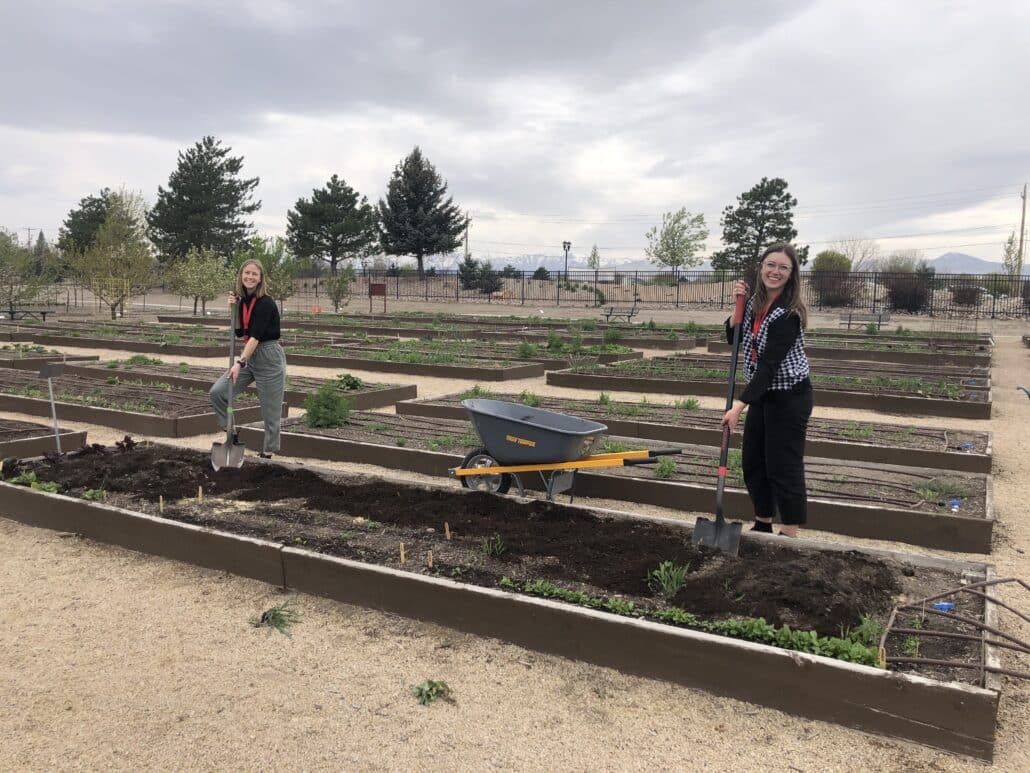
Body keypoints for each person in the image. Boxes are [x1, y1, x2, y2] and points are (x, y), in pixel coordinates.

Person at [720, 243, 812, 537]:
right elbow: (734, 337)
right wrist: (736, 308)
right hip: (762, 395)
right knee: (754, 461)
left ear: (791, 274)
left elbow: (769, 368)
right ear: (761, 268)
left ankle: (789, 531)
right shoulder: (753, 303)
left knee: (782, 465)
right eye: (771, 265)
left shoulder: (789, 315)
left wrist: (738, 406)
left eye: (783, 267)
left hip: (789, 396)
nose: (775, 272)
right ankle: (762, 523)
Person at [209, 259, 286, 458]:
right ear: (241, 275)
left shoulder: (266, 302)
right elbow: (239, 332)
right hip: (249, 355)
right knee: (218, 392)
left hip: (268, 357)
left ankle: (268, 453)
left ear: (261, 279)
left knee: (270, 411)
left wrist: (239, 362)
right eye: (247, 273)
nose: (250, 277)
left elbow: (256, 336)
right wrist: (233, 310)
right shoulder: (243, 301)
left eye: (254, 274)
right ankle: (232, 434)